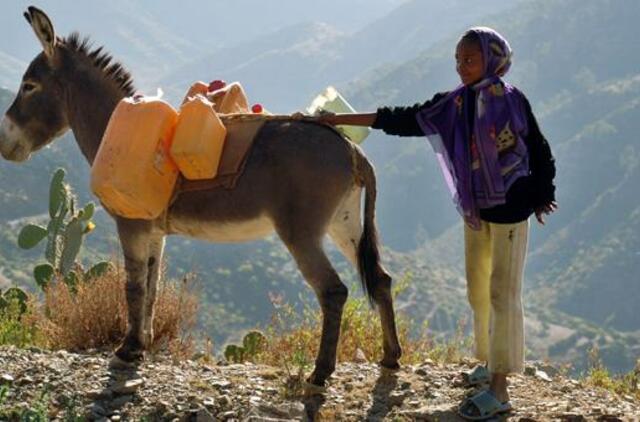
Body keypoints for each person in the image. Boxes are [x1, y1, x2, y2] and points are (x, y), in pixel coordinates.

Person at [315, 27, 557, 420]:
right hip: (478, 212)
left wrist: (543, 195)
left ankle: (500, 389)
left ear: (492, 60)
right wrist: (337, 119)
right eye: (458, 60)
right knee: (479, 291)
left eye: (470, 59)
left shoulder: (511, 102)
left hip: (512, 210)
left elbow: (539, 148)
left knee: (502, 295)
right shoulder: (456, 104)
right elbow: (404, 118)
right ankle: (486, 364)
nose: (462, 67)